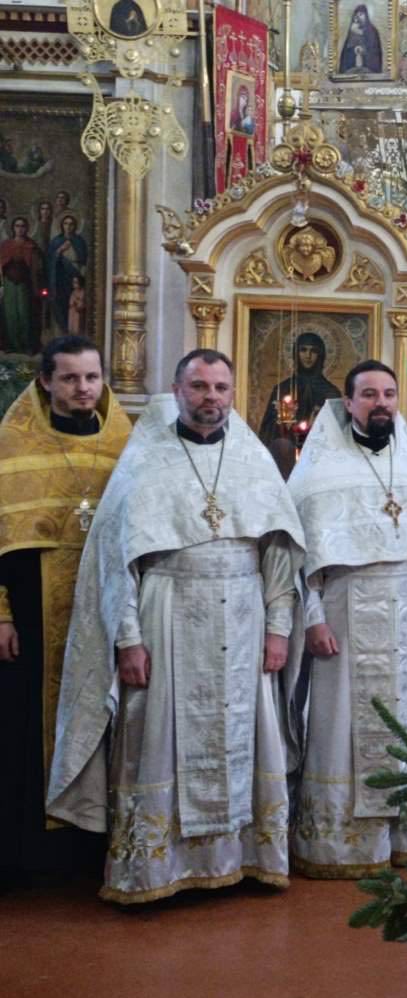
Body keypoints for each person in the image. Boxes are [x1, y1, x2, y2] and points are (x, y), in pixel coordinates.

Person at [48, 350, 305, 904]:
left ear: (232, 392)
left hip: (244, 615)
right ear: (177, 390)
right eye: (199, 386)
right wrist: (128, 639)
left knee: (244, 735)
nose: (211, 397)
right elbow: (118, 564)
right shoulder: (145, 461)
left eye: (220, 387)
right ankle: (156, 870)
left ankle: (243, 860)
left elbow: (280, 553)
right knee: (157, 736)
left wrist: (279, 629)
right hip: (166, 613)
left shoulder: (253, 460)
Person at [286, 361, 407, 877]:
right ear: (348, 402)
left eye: (389, 394)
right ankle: (342, 845)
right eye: (369, 394)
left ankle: (404, 837)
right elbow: (301, 556)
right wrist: (313, 619)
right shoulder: (319, 470)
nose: (381, 403)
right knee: (340, 724)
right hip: (344, 609)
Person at [0, 336, 131, 884]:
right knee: (23, 726)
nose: (83, 388)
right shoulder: (11, 443)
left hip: (103, 607)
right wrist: (2, 614)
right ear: (46, 382)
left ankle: (87, 849)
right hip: (31, 611)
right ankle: (25, 854)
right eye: (71, 378)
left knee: (102, 717)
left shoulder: (125, 445)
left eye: (92, 378)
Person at [256, 332, 342, 475]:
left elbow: (337, 436)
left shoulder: (331, 392)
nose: (308, 356)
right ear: (296, 353)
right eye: (303, 350)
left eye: (313, 351)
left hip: (321, 464)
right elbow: (267, 432)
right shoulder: (282, 389)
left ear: (321, 355)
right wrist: (283, 422)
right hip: (285, 462)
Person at [0, 216, 45, 352]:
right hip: (8, 283)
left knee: (25, 314)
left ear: (27, 228)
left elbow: (37, 267)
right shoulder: (6, 245)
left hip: (25, 284)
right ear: (13, 228)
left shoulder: (31, 246)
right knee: (10, 314)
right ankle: (11, 345)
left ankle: (27, 346)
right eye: (17, 226)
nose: (20, 229)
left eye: (22, 226)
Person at [45, 214, 88, 332]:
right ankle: (62, 329)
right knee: (62, 302)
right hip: (60, 277)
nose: (68, 226)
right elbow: (50, 261)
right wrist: (60, 250)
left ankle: (74, 330)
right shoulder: (56, 241)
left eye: (71, 224)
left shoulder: (79, 241)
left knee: (75, 304)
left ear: (75, 226)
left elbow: (84, 260)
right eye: (66, 223)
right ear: (61, 225)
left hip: (75, 276)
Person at [338, 4, 385, 75]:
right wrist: (354, 49)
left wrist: (363, 50)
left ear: (366, 16)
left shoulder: (372, 30)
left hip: (369, 69)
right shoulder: (352, 31)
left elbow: (374, 51)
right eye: (357, 15)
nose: (359, 17)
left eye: (361, 14)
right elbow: (346, 54)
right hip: (352, 70)